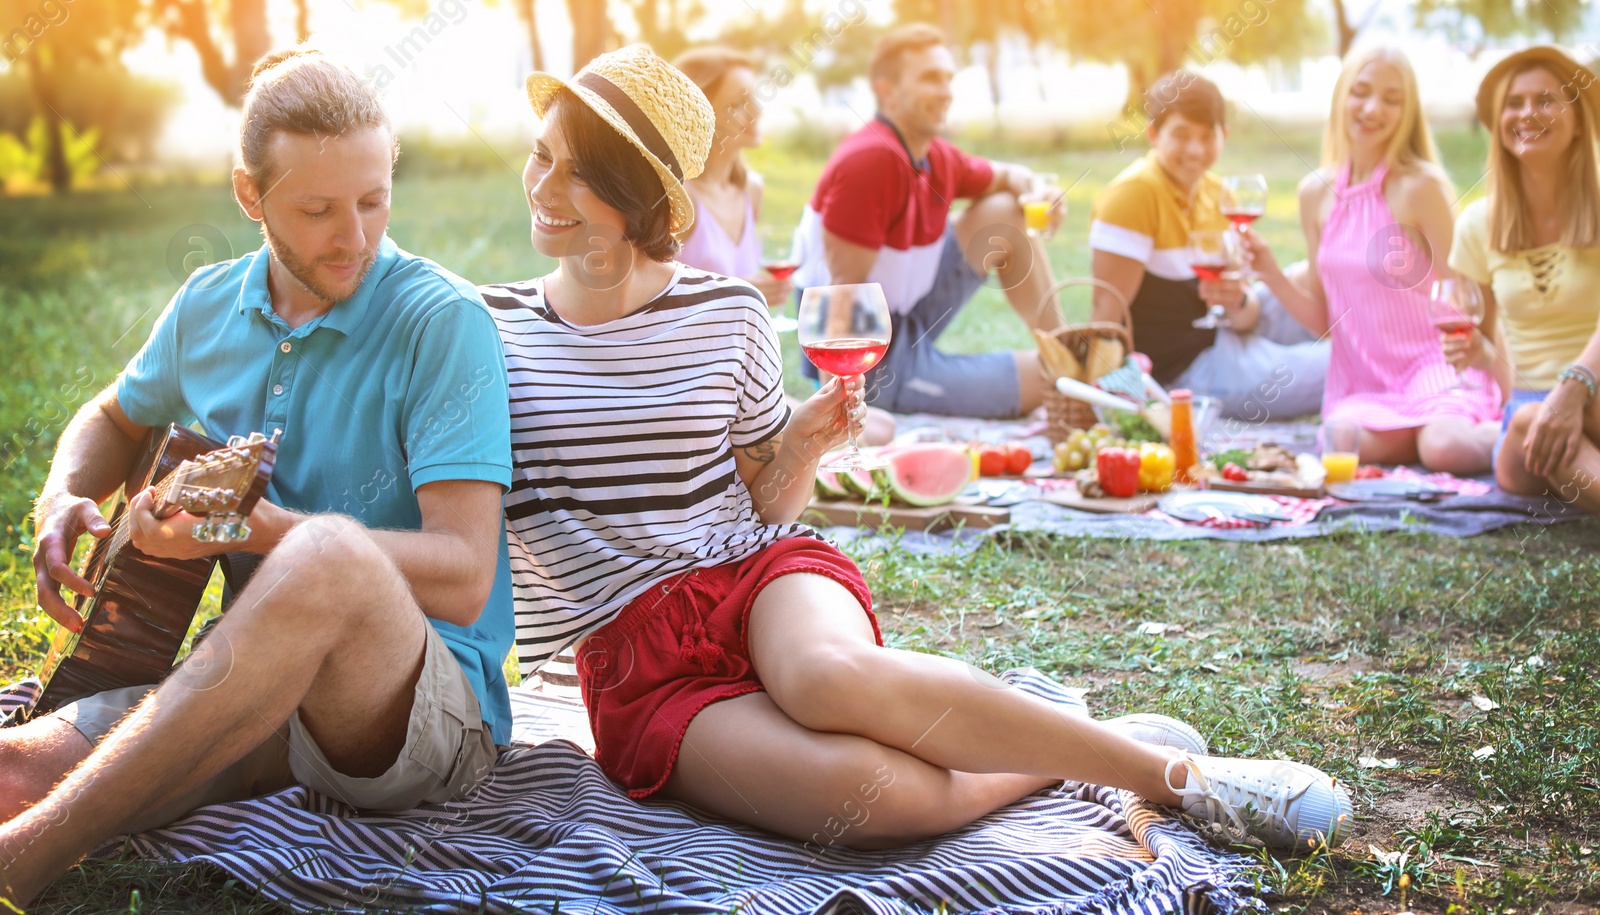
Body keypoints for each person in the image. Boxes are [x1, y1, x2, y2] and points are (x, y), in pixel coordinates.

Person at [482, 43, 1352, 858]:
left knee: (826, 679)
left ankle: (1186, 779)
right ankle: (1084, 741)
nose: (542, 185)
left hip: (759, 580)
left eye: (576, 169)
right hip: (636, 660)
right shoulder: (487, 329)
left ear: (637, 196)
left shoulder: (730, 312)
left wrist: (803, 445)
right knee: (871, 801)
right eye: (540, 154)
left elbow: (768, 503)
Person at [0, 49, 514, 907]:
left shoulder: (444, 322)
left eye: (373, 200)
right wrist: (63, 494)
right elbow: (115, 415)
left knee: (325, 552)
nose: (354, 237)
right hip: (252, 685)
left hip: (423, 710)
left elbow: (464, 578)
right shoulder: (207, 304)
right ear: (251, 196)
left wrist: (265, 530)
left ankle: (25, 860)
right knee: (15, 770)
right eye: (316, 209)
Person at [1242, 46, 1501, 473]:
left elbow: (1471, 294)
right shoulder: (1315, 194)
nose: (1372, 108)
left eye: (1392, 99)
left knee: (1446, 449)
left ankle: (1507, 429)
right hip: (1362, 382)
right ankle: (1423, 434)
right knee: (1338, 442)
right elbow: (1326, 322)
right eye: (1360, 92)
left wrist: (1499, 375)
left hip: (1433, 364)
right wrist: (1270, 273)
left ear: (1407, 111)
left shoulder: (1420, 187)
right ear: (1342, 96)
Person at [791, 24, 1067, 419]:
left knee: (1007, 211)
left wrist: (1037, 189)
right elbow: (840, 300)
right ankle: (1068, 370)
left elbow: (1008, 177)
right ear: (887, 90)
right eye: (929, 79)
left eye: (948, 78)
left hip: (909, 313)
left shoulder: (935, 156)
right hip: (871, 359)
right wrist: (837, 413)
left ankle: (1068, 347)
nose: (946, 91)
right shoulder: (870, 161)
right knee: (1050, 379)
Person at [672, 45, 894, 446]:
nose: (756, 111)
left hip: (742, 372)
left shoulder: (749, 189)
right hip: (695, 377)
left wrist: (758, 293)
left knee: (878, 426)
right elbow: (653, 305)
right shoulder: (679, 198)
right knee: (854, 430)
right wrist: (746, 289)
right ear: (700, 111)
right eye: (739, 103)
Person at [1090, 70, 1329, 420]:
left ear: (1224, 136)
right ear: (1153, 134)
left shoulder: (1218, 194)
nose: (1195, 150)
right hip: (1185, 371)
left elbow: (1243, 316)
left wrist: (1238, 300)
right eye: (1181, 135)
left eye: (1207, 136)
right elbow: (1105, 318)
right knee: (1342, 363)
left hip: (1224, 333)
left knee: (1321, 275)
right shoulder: (1133, 197)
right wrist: (1107, 403)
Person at [1449, 46, 1600, 511]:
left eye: (1546, 99)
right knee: (1531, 418)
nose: (1527, 112)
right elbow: (1490, 346)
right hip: (1525, 419)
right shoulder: (1477, 225)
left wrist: (1576, 386)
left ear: (1578, 122)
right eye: (1514, 103)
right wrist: (1478, 352)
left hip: (1595, 393)